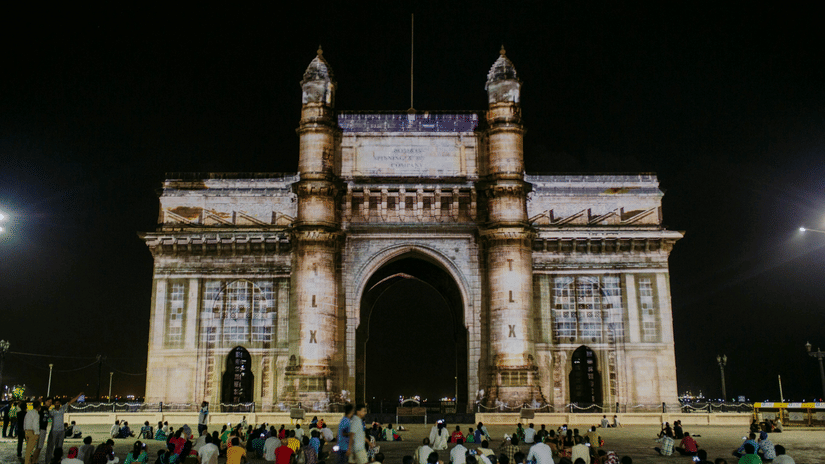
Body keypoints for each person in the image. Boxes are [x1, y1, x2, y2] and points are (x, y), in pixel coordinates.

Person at [46, 393, 83, 463]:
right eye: (55, 403)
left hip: (61, 431)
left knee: (59, 447)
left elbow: (71, 401)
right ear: (54, 404)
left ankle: (58, 459)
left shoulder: (62, 409)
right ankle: (47, 460)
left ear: (60, 403)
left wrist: (79, 395)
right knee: (50, 447)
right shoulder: (51, 412)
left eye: (58, 403)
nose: (57, 404)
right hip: (54, 431)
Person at [33, 397, 53, 464]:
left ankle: (36, 461)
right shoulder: (42, 409)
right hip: (40, 429)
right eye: (49, 402)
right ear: (45, 402)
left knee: (39, 447)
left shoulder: (47, 410)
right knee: (38, 447)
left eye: (51, 402)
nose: (50, 403)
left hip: (43, 430)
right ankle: (34, 461)